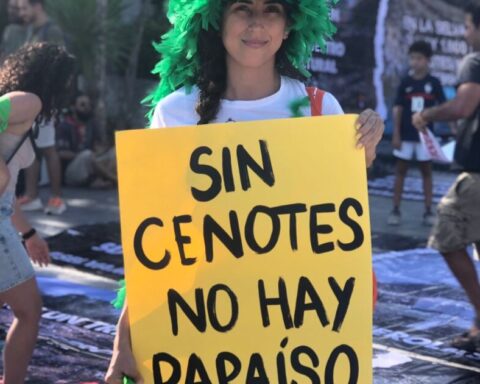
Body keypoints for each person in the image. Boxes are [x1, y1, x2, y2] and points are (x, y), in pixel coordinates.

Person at [105, 0, 384, 382]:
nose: (256, 23)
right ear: (216, 21)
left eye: (271, 9)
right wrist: (124, 339)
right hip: (199, 331)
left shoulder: (320, 111)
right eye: (242, 8)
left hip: (295, 337)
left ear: (289, 26)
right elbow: (158, 246)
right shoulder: (175, 113)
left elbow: (336, 231)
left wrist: (364, 146)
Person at [0, 42, 75, 383]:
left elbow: (8, 195)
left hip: (4, 219)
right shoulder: (30, 100)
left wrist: (29, 234)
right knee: (29, 311)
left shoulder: (22, 106)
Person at [412, 2, 480, 351]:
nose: (465, 33)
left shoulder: (475, 60)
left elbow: (464, 104)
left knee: (447, 234)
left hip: (476, 176)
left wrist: (427, 116)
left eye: (468, 27)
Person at [16, 0, 67, 215]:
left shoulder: (52, 30)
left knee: (48, 148)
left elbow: (61, 64)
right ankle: (32, 196)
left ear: (37, 6)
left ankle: (57, 199)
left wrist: (53, 101)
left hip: (46, 100)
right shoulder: (30, 30)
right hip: (31, 98)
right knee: (30, 147)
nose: (21, 12)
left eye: (24, 8)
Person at [388, 41, 447, 226]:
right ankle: (395, 210)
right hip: (405, 135)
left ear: (428, 60)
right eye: (412, 58)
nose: (415, 62)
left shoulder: (434, 83)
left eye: (419, 58)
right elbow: (397, 109)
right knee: (400, 171)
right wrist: (396, 134)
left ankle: (428, 211)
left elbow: (443, 107)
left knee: (426, 172)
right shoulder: (406, 83)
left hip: (425, 137)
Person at [56, 94, 117, 188]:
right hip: (72, 170)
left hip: (91, 161)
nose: (86, 108)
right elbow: (61, 153)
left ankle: (99, 180)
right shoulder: (64, 126)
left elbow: (98, 146)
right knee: (87, 155)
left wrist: (99, 152)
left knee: (114, 151)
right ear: (73, 107)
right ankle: (113, 179)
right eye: (82, 105)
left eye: (88, 105)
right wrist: (84, 156)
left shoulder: (92, 124)